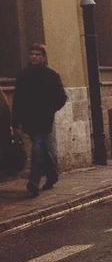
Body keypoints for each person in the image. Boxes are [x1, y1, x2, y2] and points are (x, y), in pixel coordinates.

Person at [12, 44, 67, 197]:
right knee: (41, 149)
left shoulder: (51, 75)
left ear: (43, 57)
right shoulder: (23, 75)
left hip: (44, 120)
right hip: (29, 120)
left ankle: (33, 183)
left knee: (37, 148)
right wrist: (15, 123)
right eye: (32, 54)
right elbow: (17, 101)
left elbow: (62, 98)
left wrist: (50, 110)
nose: (34, 57)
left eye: (37, 54)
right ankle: (52, 174)